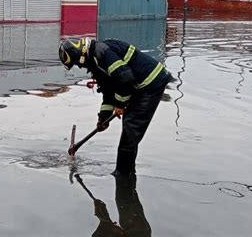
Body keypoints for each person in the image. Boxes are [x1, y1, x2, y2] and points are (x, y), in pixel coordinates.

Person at [59, 37, 171, 176]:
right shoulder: (95, 61)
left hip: (150, 83)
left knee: (130, 130)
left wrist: (120, 105)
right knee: (129, 130)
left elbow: (125, 78)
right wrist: (103, 118)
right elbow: (108, 91)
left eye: (77, 64)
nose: (80, 67)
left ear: (81, 57)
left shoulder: (102, 53)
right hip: (138, 86)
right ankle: (128, 171)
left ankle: (122, 176)